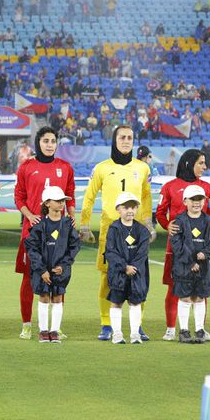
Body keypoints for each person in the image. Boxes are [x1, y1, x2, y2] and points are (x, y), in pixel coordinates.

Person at [80, 125, 154, 341]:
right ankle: (106, 323)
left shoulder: (142, 168)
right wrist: (84, 225)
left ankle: (136, 325)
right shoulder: (102, 168)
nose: (126, 141)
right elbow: (89, 197)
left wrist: (148, 222)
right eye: (122, 137)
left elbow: (147, 197)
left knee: (138, 277)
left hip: (136, 232)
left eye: (130, 138)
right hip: (109, 231)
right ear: (114, 140)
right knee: (108, 277)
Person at [13, 127, 75, 339]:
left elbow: (71, 196)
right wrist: (30, 216)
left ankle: (56, 327)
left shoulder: (65, 167)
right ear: (38, 143)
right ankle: (27, 324)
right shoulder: (26, 167)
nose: (49, 144)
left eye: (53, 140)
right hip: (33, 232)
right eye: (45, 140)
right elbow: (19, 198)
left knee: (59, 275)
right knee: (29, 278)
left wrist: (72, 215)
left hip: (59, 233)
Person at [156, 149, 210, 341]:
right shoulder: (169, 186)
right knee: (174, 286)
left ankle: (200, 329)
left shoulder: (207, 188)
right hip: (176, 248)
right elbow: (159, 213)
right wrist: (168, 226)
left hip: (202, 248)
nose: (204, 167)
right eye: (201, 163)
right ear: (189, 163)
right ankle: (171, 328)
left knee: (203, 286)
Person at [24, 186, 80, 343]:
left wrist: (64, 265)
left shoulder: (68, 224)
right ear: (47, 203)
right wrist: (42, 270)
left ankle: (54, 331)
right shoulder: (39, 224)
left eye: (63, 200)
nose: (62, 203)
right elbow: (32, 248)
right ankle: (43, 331)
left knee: (57, 297)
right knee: (43, 297)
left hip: (61, 270)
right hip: (42, 270)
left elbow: (74, 246)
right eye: (58, 200)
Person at [170, 185, 210, 344]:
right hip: (184, 267)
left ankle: (200, 330)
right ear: (185, 201)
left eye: (200, 199)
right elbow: (176, 244)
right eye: (193, 199)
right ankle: (184, 331)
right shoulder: (178, 221)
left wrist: (205, 254)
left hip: (205, 268)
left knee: (200, 298)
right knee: (185, 298)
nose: (197, 203)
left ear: (204, 201)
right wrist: (191, 261)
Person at [103, 193, 151, 345]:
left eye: (133, 207)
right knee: (116, 302)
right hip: (118, 274)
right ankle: (117, 333)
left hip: (136, 274)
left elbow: (143, 252)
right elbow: (110, 251)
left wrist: (133, 267)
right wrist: (124, 267)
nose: (130, 210)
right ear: (118, 209)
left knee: (135, 303)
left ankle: (135, 334)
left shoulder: (142, 230)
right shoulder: (114, 229)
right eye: (126, 207)